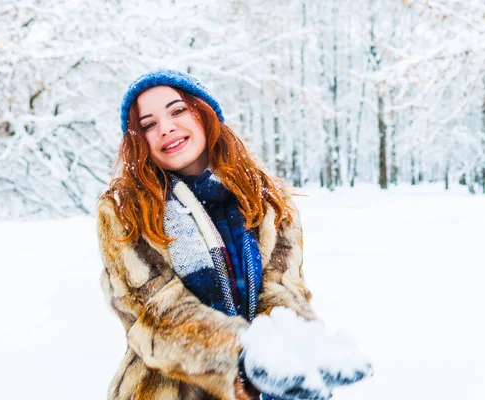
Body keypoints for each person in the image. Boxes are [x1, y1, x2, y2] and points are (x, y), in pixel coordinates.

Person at [96, 69, 370, 400]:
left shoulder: (267, 199)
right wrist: (245, 354)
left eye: (177, 110)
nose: (165, 127)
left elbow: (282, 288)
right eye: (148, 124)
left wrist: (297, 349)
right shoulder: (126, 209)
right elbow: (154, 314)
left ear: (204, 112)